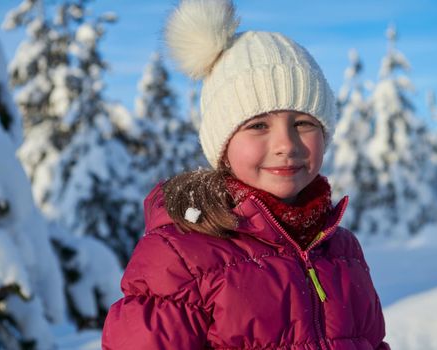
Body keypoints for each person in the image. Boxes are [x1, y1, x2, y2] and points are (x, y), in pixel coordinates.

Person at [102, 0, 389, 349]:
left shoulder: (341, 250)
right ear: (222, 145)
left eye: (303, 123)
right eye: (258, 125)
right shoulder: (182, 256)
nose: (286, 144)